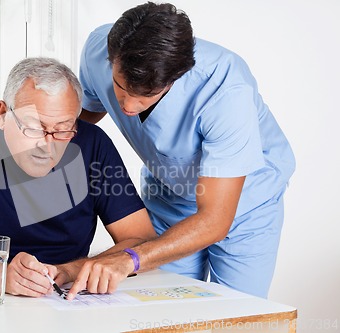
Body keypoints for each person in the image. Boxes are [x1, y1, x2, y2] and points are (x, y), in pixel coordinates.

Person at [69, 2, 295, 299]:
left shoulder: (225, 89)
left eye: (146, 96)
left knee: (238, 315)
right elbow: (76, 127)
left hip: (244, 205)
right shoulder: (98, 49)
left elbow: (215, 219)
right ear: (112, 60)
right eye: (121, 88)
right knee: (163, 307)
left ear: (174, 78)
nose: (128, 107)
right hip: (169, 195)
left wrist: (131, 258)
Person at [0, 57, 156, 297]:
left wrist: (70, 270)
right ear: (2, 114)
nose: (46, 145)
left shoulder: (93, 144)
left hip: (65, 297)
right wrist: (1, 276)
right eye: (34, 128)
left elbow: (142, 241)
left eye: (62, 129)